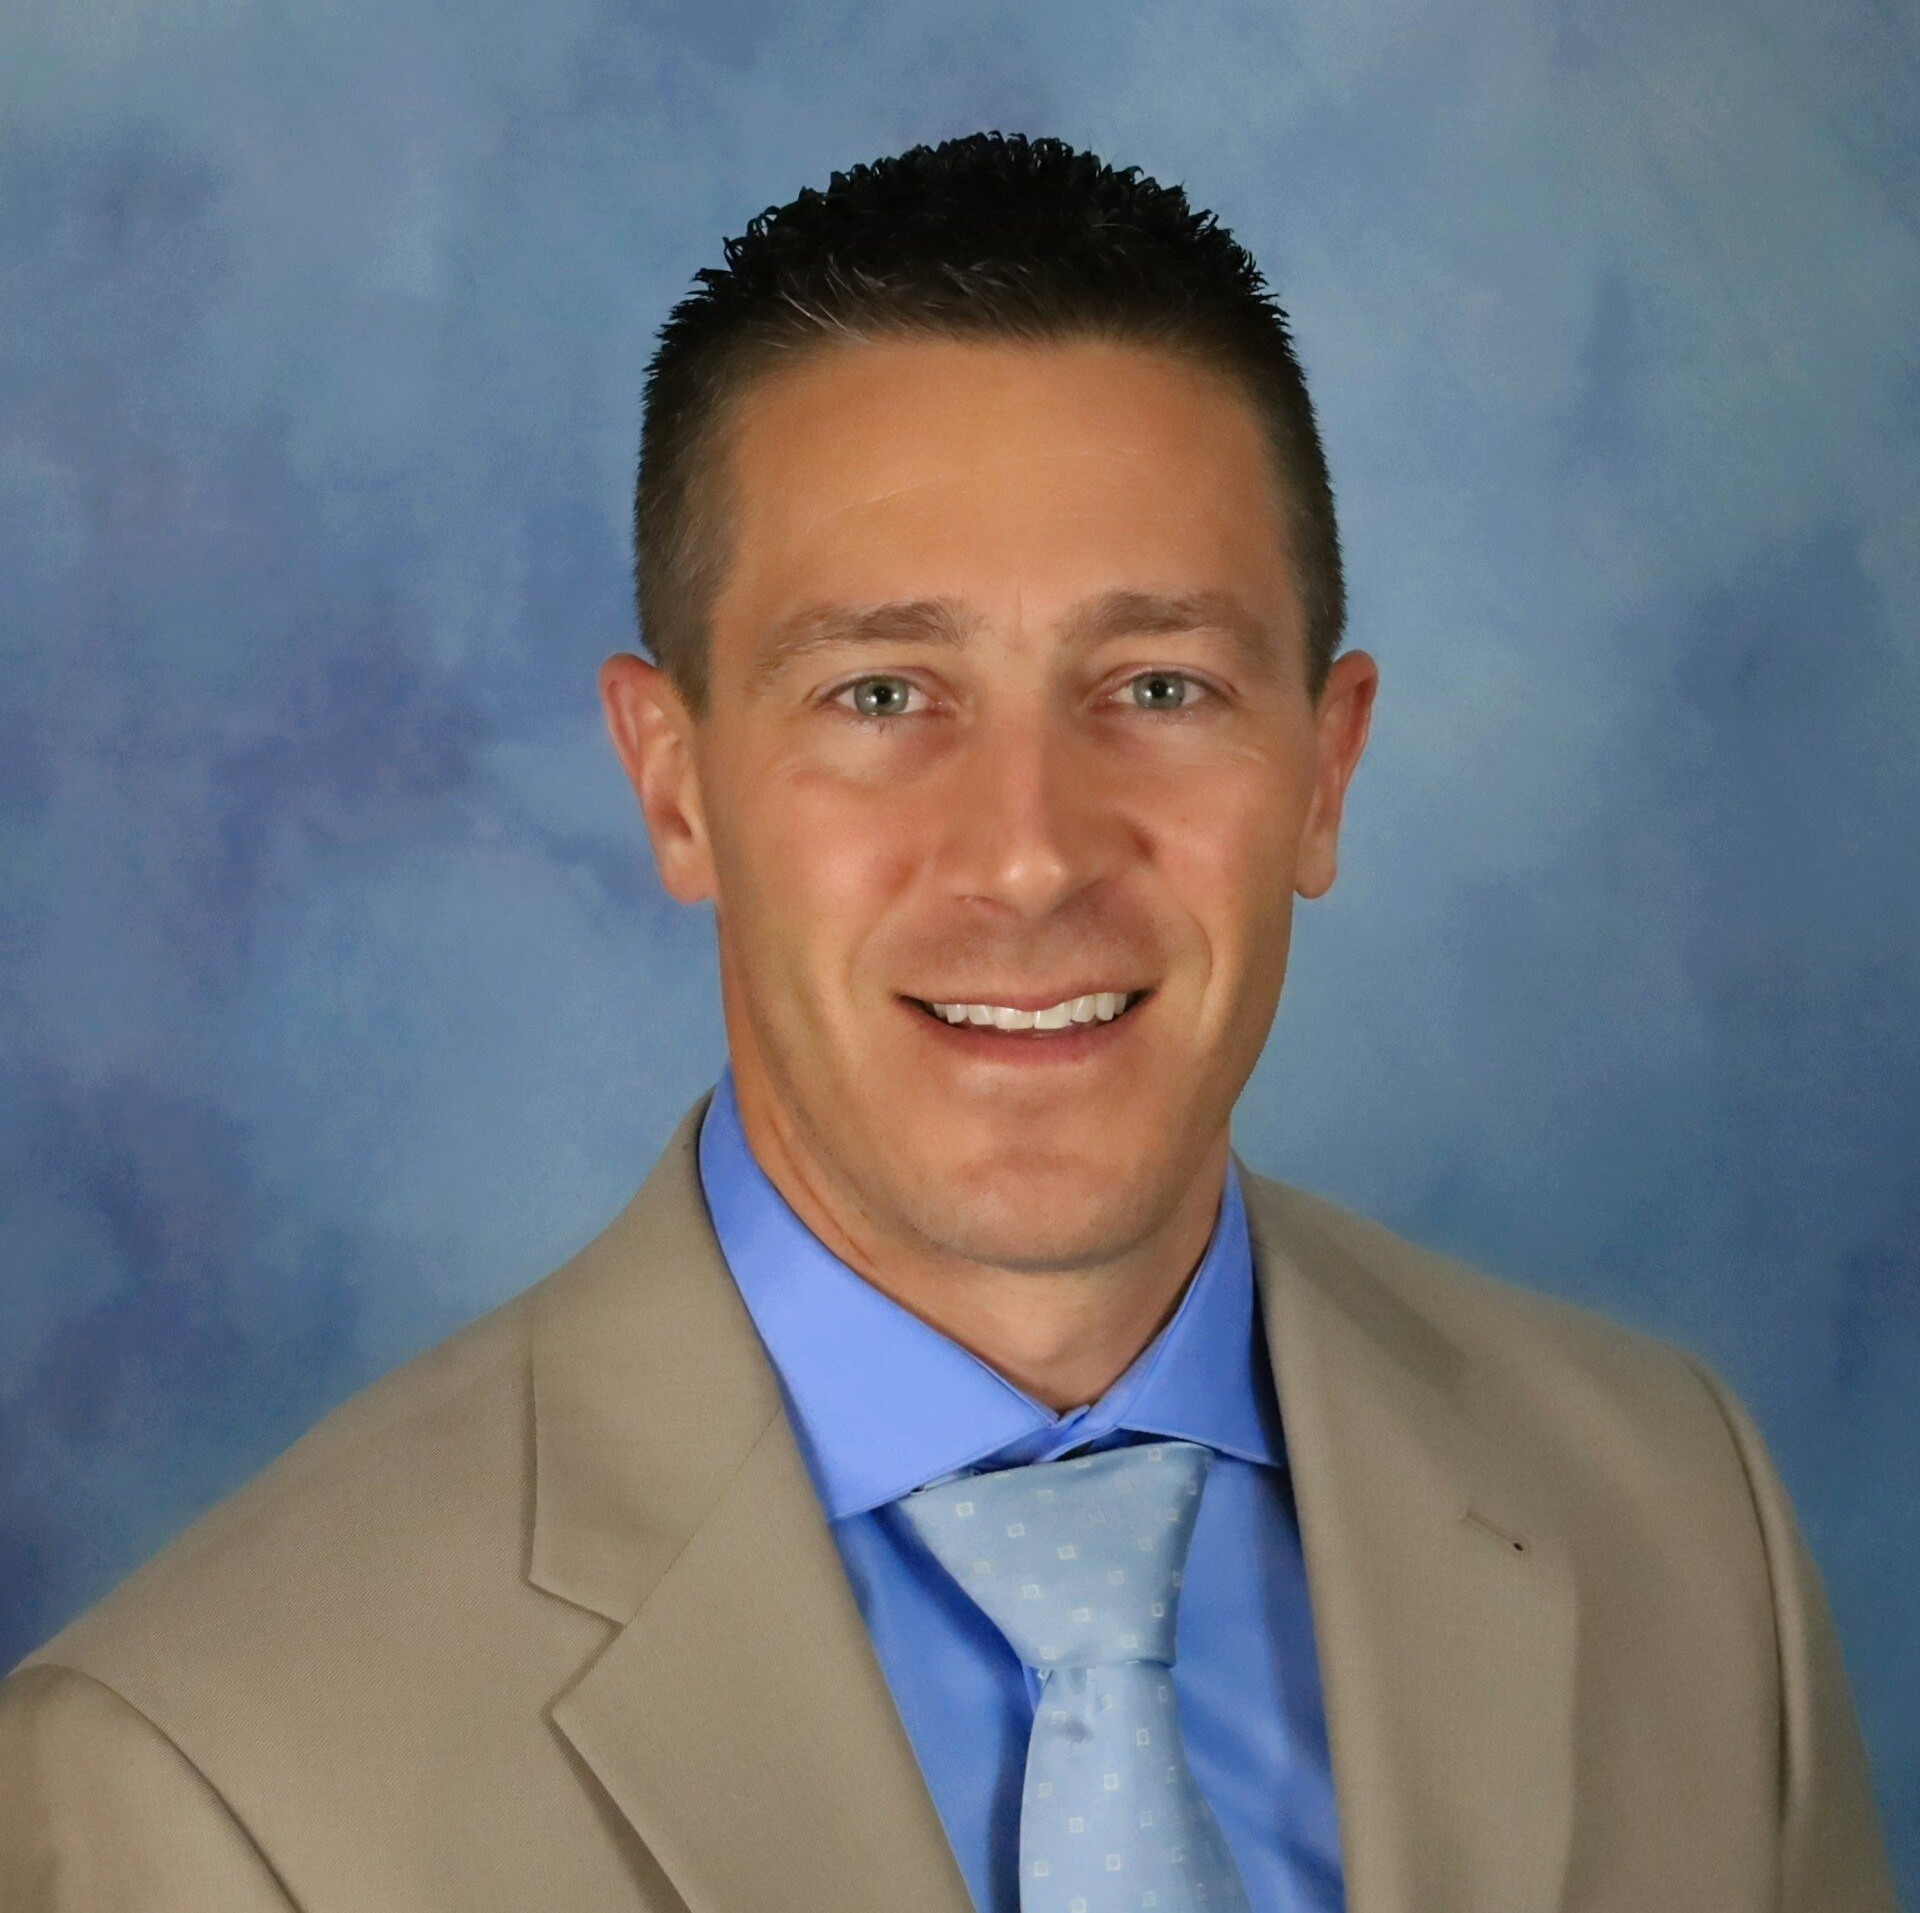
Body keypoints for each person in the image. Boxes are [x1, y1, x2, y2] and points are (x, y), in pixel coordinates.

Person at [0, 131, 1896, 1913]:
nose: (1030, 853)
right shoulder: (203, 1783)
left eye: (1158, 685)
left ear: (1325, 772)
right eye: (884, 696)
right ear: (674, 784)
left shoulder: (1681, 1518)